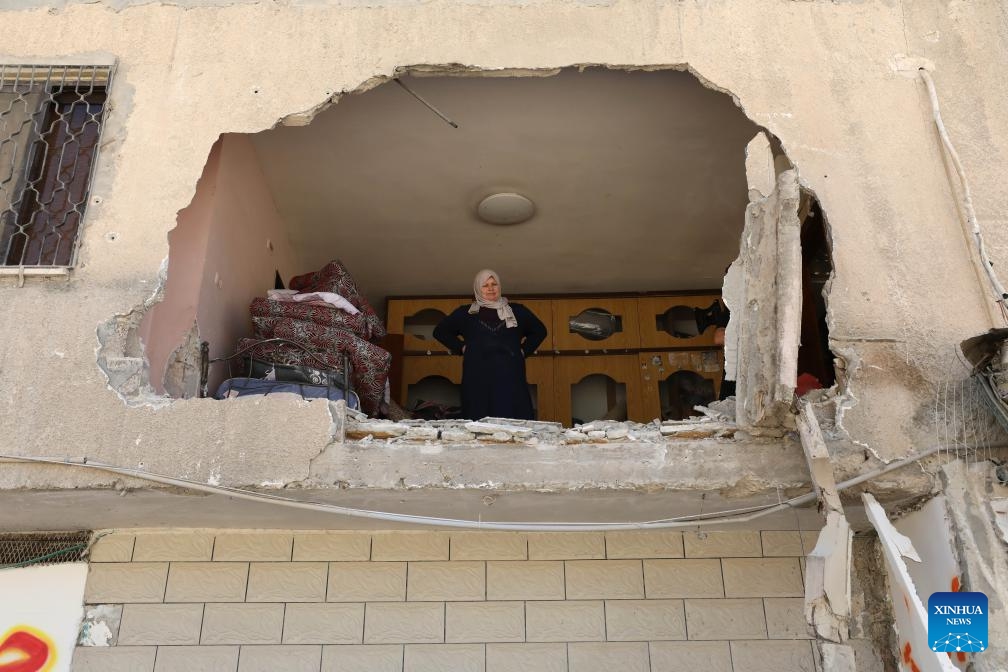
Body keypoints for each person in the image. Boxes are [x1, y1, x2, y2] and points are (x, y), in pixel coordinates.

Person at [433, 269, 547, 420]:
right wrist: (461, 347)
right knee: (478, 416)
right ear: (477, 289)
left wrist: (524, 351)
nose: (491, 288)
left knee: (514, 417)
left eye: (494, 284)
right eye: (485, 285)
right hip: (477, 375)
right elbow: (440, 331)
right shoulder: (466, 313)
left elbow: (540, 331)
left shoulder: (518, 311)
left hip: (510, 374)